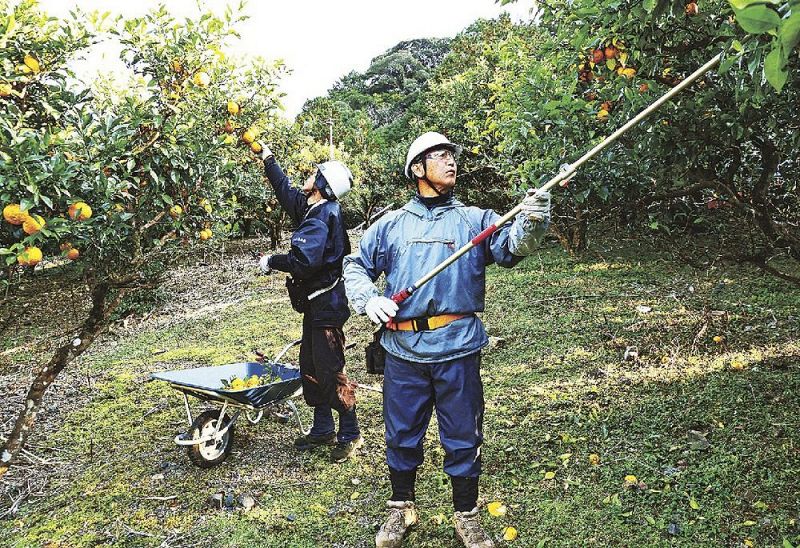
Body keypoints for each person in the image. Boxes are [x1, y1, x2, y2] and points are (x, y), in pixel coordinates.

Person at [343, 132, 551, 547]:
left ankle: (467, 516)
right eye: (440, 156)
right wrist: (368, 300)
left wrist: (533, 219)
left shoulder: (477, 220)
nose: (451, 162)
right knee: (401, 433)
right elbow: (355, 265)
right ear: (417, 169)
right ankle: (401, 509)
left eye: (452, 156)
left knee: (462, 435)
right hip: (402, 351)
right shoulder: (391, 224)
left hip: (458, 348)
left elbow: (513, 247)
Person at [256, 142, 363, 464]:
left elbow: (304, 262)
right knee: (311, 367)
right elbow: (286, 193)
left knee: (330, 370)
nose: (309, 175)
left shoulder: (321, 218)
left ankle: (350, 433)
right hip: (317, 306)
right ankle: (322, 429)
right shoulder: (315, 208)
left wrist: (272, 261)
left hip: (326, 307)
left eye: (315, 173)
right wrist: (267, 158)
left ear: (322, 186)